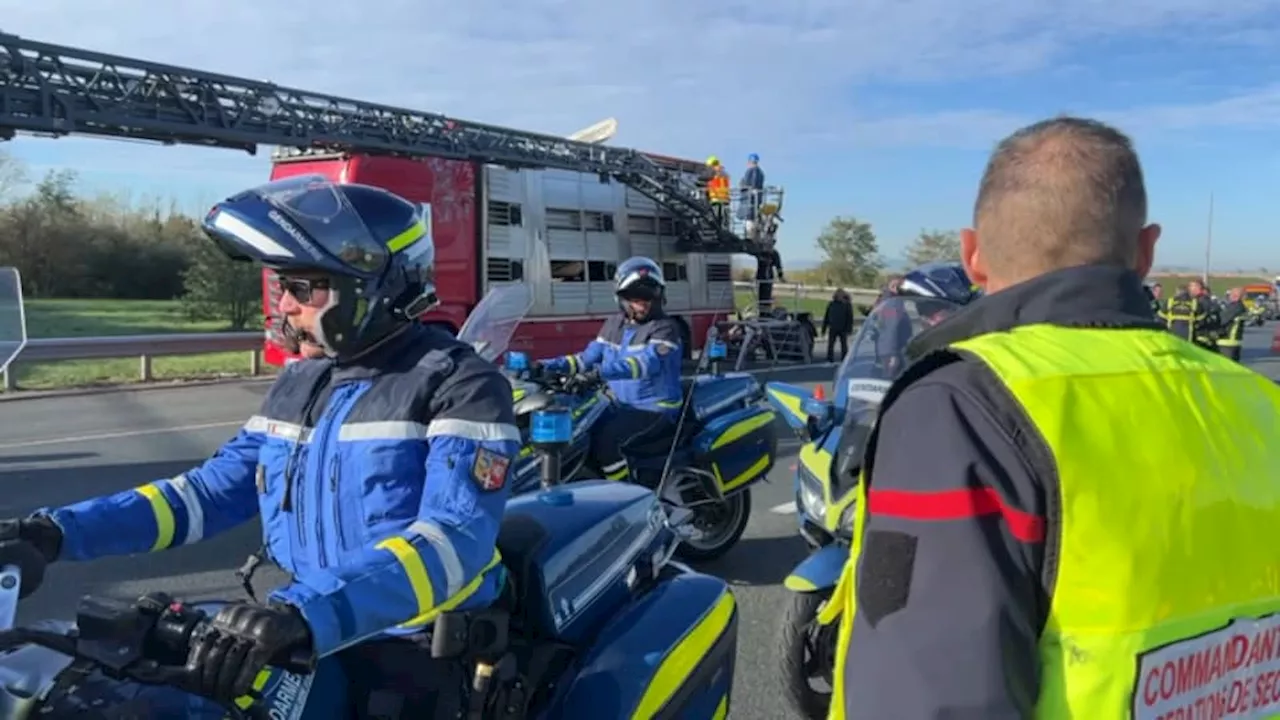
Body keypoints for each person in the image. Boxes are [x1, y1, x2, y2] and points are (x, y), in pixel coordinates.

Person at [0, 176, 520, 717]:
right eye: (283, 288)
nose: (287, 308)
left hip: (411, 648)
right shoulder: (299, 384)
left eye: (305, 289)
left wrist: (303, 613)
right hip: (309, 630)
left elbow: (454, 539)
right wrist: (56, 534)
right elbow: (200, 497)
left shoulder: (458, 383)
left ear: (374, 284)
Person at [824, 116, 1280, 718]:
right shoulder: (1258, 403)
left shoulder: (962, 405)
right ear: (1145, 250)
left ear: (972, 255)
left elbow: (925, 697)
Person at [534, 257, 684, 483]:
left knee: (606, 441)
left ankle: (624, 498)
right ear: (622, 300)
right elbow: (586, 359)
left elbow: (645, 364)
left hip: (655, 409)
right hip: (618, 404)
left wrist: (597, 374)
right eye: (635, 300)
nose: (642, 305)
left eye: (647, 299)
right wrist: (542, 366)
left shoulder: (666, 328)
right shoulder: (614, 325)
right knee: (578, 428)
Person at [821, 289, 854, 363]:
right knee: (831, 344)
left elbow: (850, 318)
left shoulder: (847, 305)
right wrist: (824, 328)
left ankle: (844, 359)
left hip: (843, 328)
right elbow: (826, 316)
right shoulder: (831, 304)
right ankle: (830, 359)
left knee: (843, 344)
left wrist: (849, 329)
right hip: (833, 327)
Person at [1217, 286, 1248, 362]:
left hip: (1227, 342)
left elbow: (1221, 320)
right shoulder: (1240, 307)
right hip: (1233, 342)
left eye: (1231, 294)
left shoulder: (1235, 307)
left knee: (1225, 368)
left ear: (1236, 296)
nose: (1229, 297)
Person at [705, 157, 732, 227]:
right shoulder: (725, 174)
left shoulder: (714, 174)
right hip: (725, 200)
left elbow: (708, 184)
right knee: (724, 219)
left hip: (715, 199)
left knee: (716, 219)